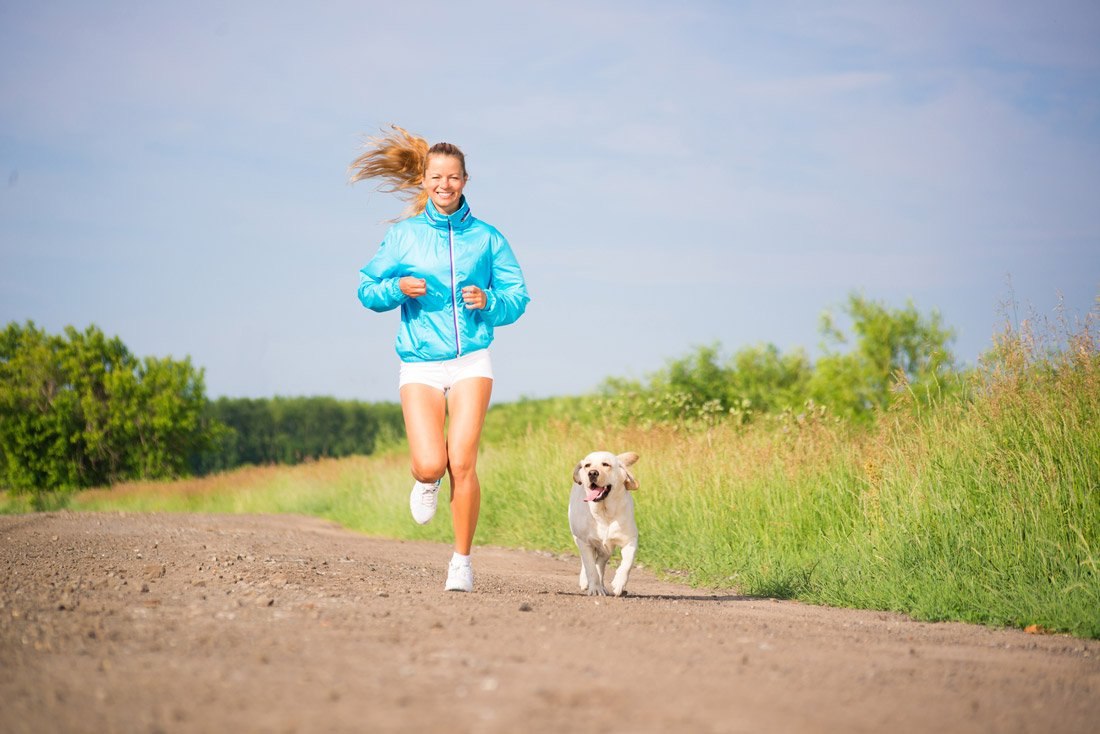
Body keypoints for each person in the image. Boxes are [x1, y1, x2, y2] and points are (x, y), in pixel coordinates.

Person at [352, 126, 530, 592]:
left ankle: (461, 561)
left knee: (463, 461)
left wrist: (488, 301)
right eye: (436, 177)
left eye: (453, 177)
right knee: (432, 464)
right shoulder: (405, 236)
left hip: (472, 359)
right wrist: (396, 289)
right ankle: (425, 480)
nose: (444, 185)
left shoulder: (488, 238)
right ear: (424, 181)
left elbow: (518, 296)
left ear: (465, 180)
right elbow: (367, 289)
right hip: (421, 363)